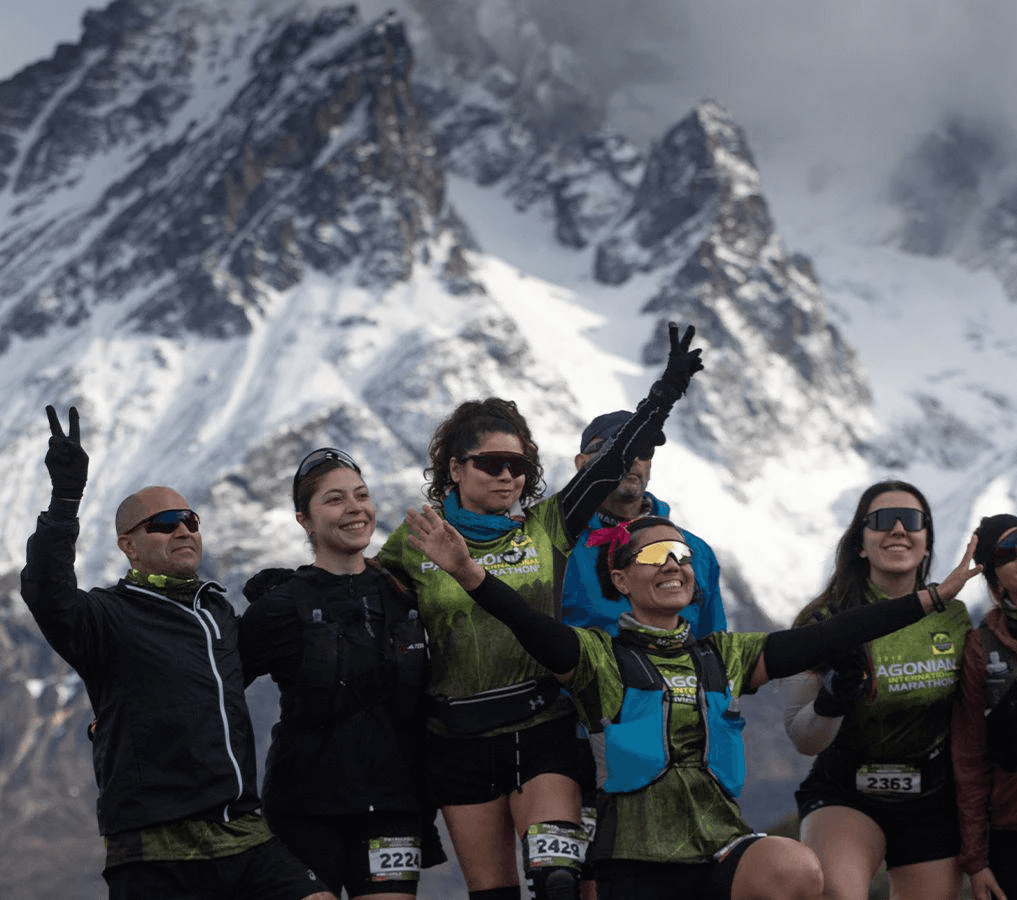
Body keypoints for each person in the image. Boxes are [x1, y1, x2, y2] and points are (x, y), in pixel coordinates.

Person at [403, 507, 982, 900]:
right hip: (632, 860)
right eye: (655, 558)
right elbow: (529, 625)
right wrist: (469, 573)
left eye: (681, 554)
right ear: (622, 580)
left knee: (797, 867)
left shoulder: (725, 656)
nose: (674, 565)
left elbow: (828, 635)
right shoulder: (597, 659)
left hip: (720, 849)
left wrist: (932, 598)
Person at [376, 323, 704, 900]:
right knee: (493, 894)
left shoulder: (549, 525)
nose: (508, 475)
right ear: (455, 468)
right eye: (492, 463)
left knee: (560, 881)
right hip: (456, 740)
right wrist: (298, 583)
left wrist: (663, 396)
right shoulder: (416, 542)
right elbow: (357, 596)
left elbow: (611, 464)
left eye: (519, 464)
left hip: (542, 729)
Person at [19, 406, 335, 900]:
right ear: (129, 545)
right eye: (164, 523)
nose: (183, 529)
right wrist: (65, 499)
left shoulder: (218, 613)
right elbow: (45, 591)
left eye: (190, 519)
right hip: (154, 850)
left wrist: (294, 595)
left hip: (243, 834)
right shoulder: (107, 617)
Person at [239, 447, 443, 898]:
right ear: (304, 520)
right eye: (334, 499)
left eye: (361, 495)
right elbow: (215, 689)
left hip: (395, 803)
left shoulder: (409, 594)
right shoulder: (280, 606)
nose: (354, 508)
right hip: (305, 807)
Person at [783, 481, 974, 900]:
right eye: (883, 520)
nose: (899, 529)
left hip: (933, 798)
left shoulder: (955, 619)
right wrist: (833, 698)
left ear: (927, 545)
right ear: (860, 544)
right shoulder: (821, 619)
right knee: (838, 893)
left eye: (914, 521)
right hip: (846, 790)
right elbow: (802, 738)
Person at [562, 408, 726, 637]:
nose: (633, 460)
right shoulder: (557, 545)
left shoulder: (696, 552)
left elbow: (716, 648)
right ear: (582, 463)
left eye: (643, 450)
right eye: (616, 449)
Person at [952, 514, 1017, 900]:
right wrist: (976, 861)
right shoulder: (980, 649)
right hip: (1010, 835)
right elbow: (969, 760)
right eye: (1011, 550)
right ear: (994, 581)